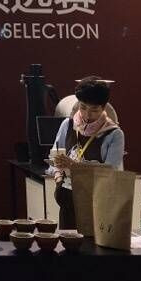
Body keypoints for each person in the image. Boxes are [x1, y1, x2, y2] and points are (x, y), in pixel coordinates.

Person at [51, 76, 124, 229]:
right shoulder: (67, 124)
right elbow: (54, 157)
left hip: (96, 205)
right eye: (83, 107)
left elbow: (109, 172)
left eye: (94, 110)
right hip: (67, 201)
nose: (87, 115)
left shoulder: (114, 134)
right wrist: (58, 177)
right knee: (67, 241)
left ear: (104, 108)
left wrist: (75, 166)